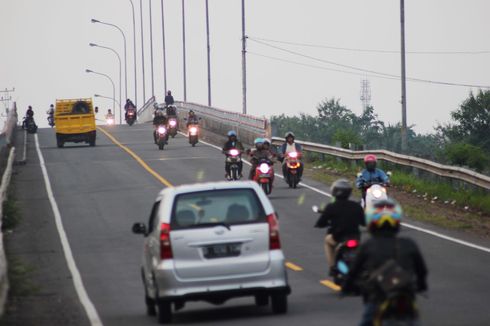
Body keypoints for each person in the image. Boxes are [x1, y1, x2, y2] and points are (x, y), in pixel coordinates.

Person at [342, 199, 428, 326]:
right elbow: (422, 270)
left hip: (379, 296)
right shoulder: (408, 243)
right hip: (406, 295)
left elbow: (354, 271)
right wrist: (422, 286)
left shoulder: (368, 245)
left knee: (367, 320)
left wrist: (346, 287)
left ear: (371, 222)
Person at [314, 179, 365, 276]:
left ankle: (332, 267)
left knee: (327, 241)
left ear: (334, 191)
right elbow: (364, 223)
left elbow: (321, 223)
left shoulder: (331, 206)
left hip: (338, 237)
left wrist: (320, 224)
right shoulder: (356, 206)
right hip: (355, 237)